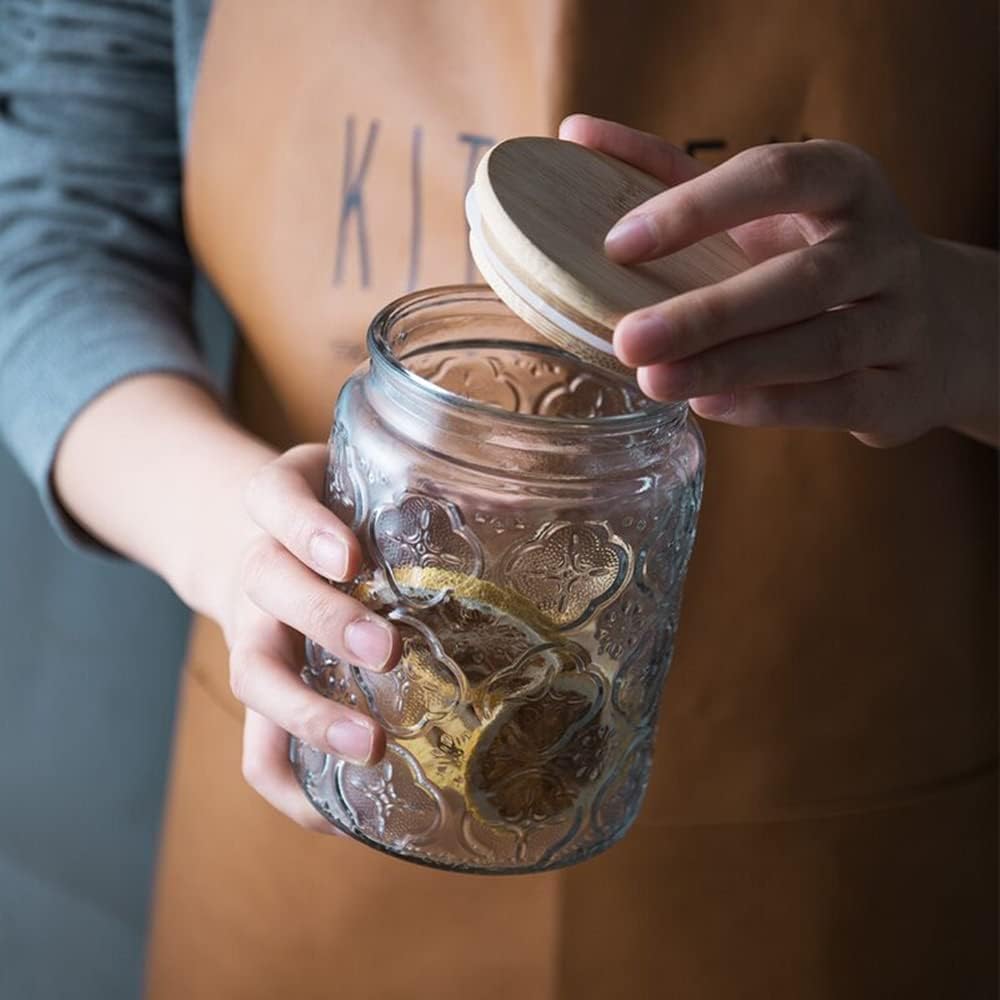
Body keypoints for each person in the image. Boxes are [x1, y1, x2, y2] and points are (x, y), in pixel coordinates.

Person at [1, 1, 996, 997]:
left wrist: (954, 323)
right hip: (316, 806)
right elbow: (48, 239)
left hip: (844, 862)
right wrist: (234, 540)